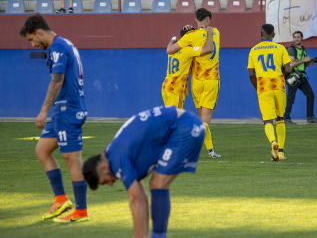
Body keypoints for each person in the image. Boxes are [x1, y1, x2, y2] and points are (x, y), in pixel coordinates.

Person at [82, 106, 205, 238]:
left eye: (104, 182)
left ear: (102, 168)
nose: (110, 184)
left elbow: (136, 199)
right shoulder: (113, 153)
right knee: (155, 185)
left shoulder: (117, 159)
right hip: (186, 124)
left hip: (185, 127)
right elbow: (141, 196)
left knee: (158, 184)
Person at [19, 14, 89, 222]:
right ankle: (61, 200)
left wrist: (43, 110)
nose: (32, 43)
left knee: (72, 160)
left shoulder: (58, 47)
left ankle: (81, 211)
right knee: (42, 150)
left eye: (32, 39)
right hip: (61, 111)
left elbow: (57, 81)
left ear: (39, 32)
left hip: (68, 110)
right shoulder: (61, 45)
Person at [166, 8, 221, 158]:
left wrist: (174, 39)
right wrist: (207, 32)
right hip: (207, 81)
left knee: (197, 120)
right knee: (201, 121)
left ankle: (210, 151)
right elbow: (208, 48)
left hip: (189, 83)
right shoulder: (215, 32)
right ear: (208, 19)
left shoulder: (187, 42)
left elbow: (170, 50)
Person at [248, 24, 291, 161]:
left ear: (261, 33)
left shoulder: (254, 50)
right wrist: (282, 80)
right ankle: (281, 153)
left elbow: (251, 74)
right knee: (280, 118)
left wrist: (258, 88)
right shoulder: (281, 48)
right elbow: (289, 69)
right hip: (278, 84)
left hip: (263, 85)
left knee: (267, 120)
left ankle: (273, 142)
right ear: (273, 35)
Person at [162, 26, 214, 109]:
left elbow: (170, 46)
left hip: (166, 86)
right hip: (176, 88)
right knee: (176, 117)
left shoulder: (173, 49)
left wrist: (173, 39)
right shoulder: (188, 50)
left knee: (170, 116)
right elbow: (207, 49)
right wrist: (209, 33)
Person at [283, 31, 317, 124]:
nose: (296, 38)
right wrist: (304, 60)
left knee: (310, 95)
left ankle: (310, 118)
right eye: (295, 37)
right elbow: (291, 64)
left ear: (302, 38)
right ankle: (286, 118)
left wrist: (308, 64)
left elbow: (301, 65)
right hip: (293, 77)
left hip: (301, 76)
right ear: (293, 39)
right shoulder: (292, 49)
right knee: (290, 98)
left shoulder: (304, 50)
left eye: (298, 37)